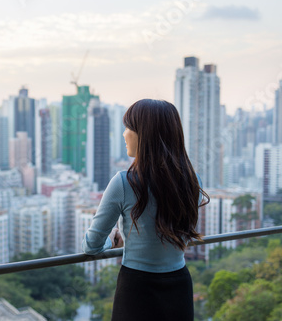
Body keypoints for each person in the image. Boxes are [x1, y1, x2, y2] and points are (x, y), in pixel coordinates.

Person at [82, 99, 209, 321]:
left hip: (136, 289)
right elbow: (178, 236)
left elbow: (91, 245)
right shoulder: (192, 180)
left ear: (145, 135)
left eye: (129, 128)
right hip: (179, 285)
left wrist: (112, 241)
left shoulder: (124, 182)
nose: (124, 134)